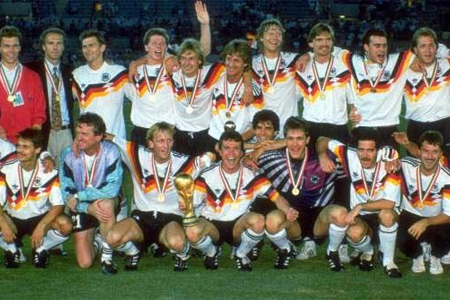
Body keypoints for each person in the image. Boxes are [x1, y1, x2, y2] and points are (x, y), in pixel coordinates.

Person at [106, 122, 212, 272]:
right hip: (142, 218)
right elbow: (113, 139)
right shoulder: (137, 155)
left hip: (170, 220)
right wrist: (83, 140)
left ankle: (182, 254)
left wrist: (210, 156)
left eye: (169, 140)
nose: (165, 146)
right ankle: (133, 252)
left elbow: (211, 156)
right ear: (150, 143)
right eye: (160, 141)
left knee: (177, 243)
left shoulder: (184, 162)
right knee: (112, 238)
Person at [185, 131, 298, 271]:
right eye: (226, 148)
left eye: (236, 148)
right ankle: (211, 252)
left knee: (258, 221)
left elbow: (276, 197)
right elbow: (194, 204)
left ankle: (241, 254)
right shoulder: (206, 175)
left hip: (239, 224)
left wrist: (288, 210)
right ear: (220, 151)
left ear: (242, 152)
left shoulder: (253, 174)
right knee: (191, 230)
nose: (231, 154)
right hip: (212, 223)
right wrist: (186, 206)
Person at [314, 128, 402, 278]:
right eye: (361, 150)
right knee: (354, 233)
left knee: (386, 214)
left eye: (370, 150)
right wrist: (322, 155)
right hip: (362, 216)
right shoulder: (349, 155)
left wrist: (360, 206)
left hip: (386, 214)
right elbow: (322, 139)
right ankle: (368, 251)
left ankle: (389, 262)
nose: (365, 155)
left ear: (378, 150)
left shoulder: (390, 163)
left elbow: (389, 203)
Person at [129, 1, 211, 147]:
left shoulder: (174, 68)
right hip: (141, 130)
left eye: (162, 43)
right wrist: (134, 63)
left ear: (167, 47)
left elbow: (202, 52)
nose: (158, 46)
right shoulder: (135, 70)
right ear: (146, 47)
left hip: (167, 132)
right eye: (154, 43)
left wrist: (204, 25)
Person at [257, 117, 336, 267]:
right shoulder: (271, 158)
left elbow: (329, 141)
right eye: (290, 139)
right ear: (284, 139)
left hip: (319, 219)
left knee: (339, 212)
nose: (294, 144)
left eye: (299, 139)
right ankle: (287, 246)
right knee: (272, 219)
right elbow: (238, 157)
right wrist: (251, 157)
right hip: (291, 217)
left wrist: (322, 153)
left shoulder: (325, 158)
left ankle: (337, 247)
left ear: (308, 140)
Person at [59, 113, 123, 275]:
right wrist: (87, 208)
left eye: (85, 134)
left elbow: (112, 190)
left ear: (99, 136)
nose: (79, 138)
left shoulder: (111, 152)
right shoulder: (67, 154)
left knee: (105, 204)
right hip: (83, 208)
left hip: (105, 202)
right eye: (78, 133)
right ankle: (98, 241)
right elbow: (67, 191)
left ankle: (107, 257)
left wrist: (81, 196)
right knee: (84, 262)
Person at [0, 129, 71, 268]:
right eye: (18, 146)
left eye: (25, 147)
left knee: (66, 225)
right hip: (12, 218)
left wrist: (41, 227)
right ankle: (12, 248)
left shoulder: (50, 172)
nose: (20, 150)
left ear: (38, 149)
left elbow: (58, 206)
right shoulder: (5, 170)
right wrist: (3, 225)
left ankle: (41, 247)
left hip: (38, 218)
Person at [397, 131, 450, 275]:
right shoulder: (405, 165)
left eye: (434, 152)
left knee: (445, 238)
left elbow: (448, 214)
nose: (430, 156)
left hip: (436, 218)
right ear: (419, 152)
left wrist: (426, 222)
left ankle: (436, 255)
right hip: (410, 215)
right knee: (401, 241)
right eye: (426, 151)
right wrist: (391, 160)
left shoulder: (447, 177)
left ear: (441, 154)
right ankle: (418, 254)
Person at [25, 28, 74, 166]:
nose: (55, 47)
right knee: (44, 177)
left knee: (68, 177)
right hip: (44, 132)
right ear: (43, 46)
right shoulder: (31, 70)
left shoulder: (70, 71)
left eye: (59, 43)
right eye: (51, 43)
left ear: (63, 46)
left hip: (67, 133)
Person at [402, 27, 450, 161]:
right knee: (415, 170)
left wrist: (443, 50)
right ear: (415, 49)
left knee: (446, 171)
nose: (428, 50)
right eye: (422, 46)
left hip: (445, 125)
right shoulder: (404, 69)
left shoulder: (446, 64)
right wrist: (411, 59)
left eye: (431, 45)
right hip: (417, 127)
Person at [72, 29, 128, 140]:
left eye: (91, 45)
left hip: (114, 140)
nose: (87, 50)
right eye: (84, 46)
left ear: (102, 47)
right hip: (88, 141)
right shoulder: (76, 74)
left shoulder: (119, 73)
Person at [208, 39, 264, 145]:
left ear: (245, 64)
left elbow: (257, 125)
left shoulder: (253, 90)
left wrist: (235, 141)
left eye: (237, 60)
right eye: (229, 59)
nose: (231, 64)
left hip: (239, 142)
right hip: (214, 138)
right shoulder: (215, 77)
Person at [252, 19, 301, 130]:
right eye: (270, 33)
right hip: (263, 129)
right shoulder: (252, 64)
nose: (275, 37)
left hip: (288, 127)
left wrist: (308, 55)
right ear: (260, 37)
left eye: (279, 34)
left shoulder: (293, 60)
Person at [0, 26, 46, 143]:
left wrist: (32, 138)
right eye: (6, 46)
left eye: (15, 46)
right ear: (0, 48)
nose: (11, 50)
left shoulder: (33, 77)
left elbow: (39, 112)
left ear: (20, 47)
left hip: (25, 143)